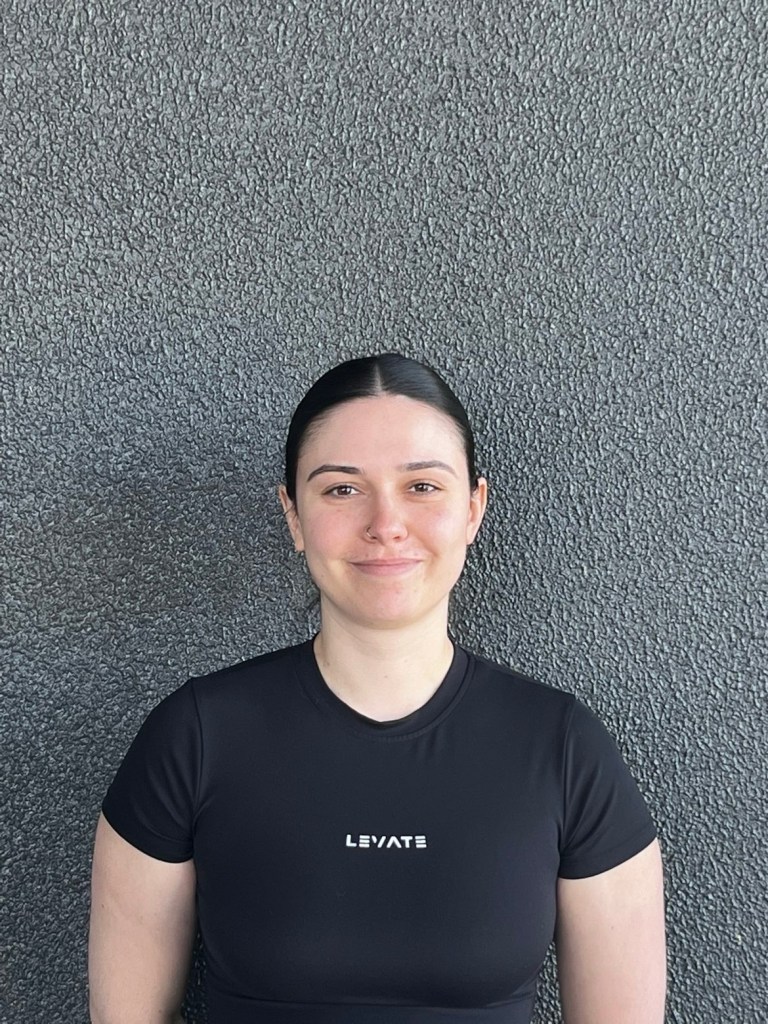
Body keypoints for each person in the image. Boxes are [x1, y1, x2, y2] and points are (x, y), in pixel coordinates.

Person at [88, 353, 666, 1024]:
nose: (386, 524)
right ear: (293, 515)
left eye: (423, 486)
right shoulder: (194, 737)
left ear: (474, 509)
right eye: (341, 489)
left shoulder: (563, 749)